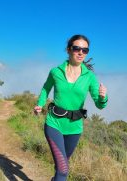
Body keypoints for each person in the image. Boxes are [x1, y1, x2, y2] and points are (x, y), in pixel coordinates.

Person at [33, 34, 108, 181]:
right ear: (68, 50)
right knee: (63, 170)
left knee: (61, 167)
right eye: (77, 48)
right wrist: (40, 104)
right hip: (54, 123)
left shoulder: (89, 77)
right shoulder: (55, 71)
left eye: (85, 50)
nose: (81, 52)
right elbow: (45, 89)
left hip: (75, 128)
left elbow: (99, 105)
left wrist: (103, 97)